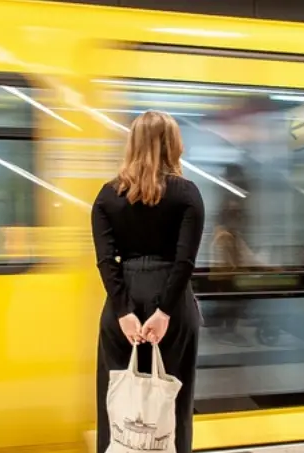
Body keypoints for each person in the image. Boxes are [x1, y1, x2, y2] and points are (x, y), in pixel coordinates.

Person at [92, 110, 205, 453]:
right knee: (172, 402)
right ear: (173, 145)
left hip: (121, 300)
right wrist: (164, 312)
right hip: (172, 302)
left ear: (132, 145)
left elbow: (104, 259)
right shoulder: (187, 194)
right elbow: (185, 261)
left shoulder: (107, 196)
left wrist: (124, 311)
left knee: (116, 401)